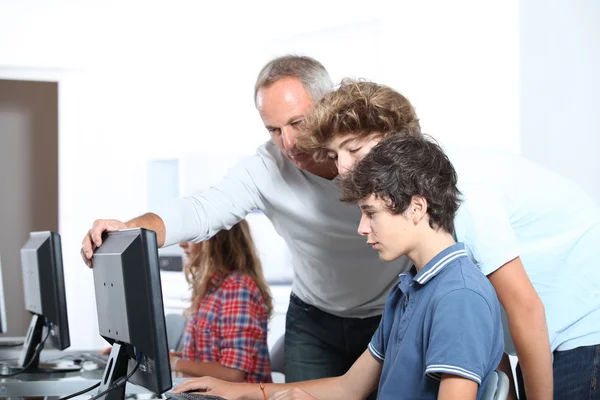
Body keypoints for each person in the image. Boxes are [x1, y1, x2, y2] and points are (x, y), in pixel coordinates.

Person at [80, 56, 413, 393]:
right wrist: (130, 228)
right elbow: (201, 210)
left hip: (387, 313)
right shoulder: (265, 167)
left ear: (328, 107)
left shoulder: (378, 157)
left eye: (298, 122)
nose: (289, 143)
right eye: (274, 129)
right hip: (314, 318)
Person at [296, 79, 600, 400]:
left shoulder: (463, 192)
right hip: (542, 333)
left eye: (353, 148)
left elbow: (525, 308)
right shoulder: (417, 212)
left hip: (581, 328)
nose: (342, 167)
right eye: (333, 155)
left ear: (397, 137)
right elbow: (482, 326)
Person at [171, 134, 504, 400]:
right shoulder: (411, 288)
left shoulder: (458, 297)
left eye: (371, 212)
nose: (361, 228)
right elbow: (349, 389)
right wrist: (240, 392)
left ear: (416, 207)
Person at [170, 220, 272, 382]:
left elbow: (232, 373)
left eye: (191, 237)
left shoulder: (237, 289)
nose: (182, 244)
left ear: (215, 243)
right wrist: (175, 359)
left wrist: (176, 363)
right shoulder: (212, 289)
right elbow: (212, 357)